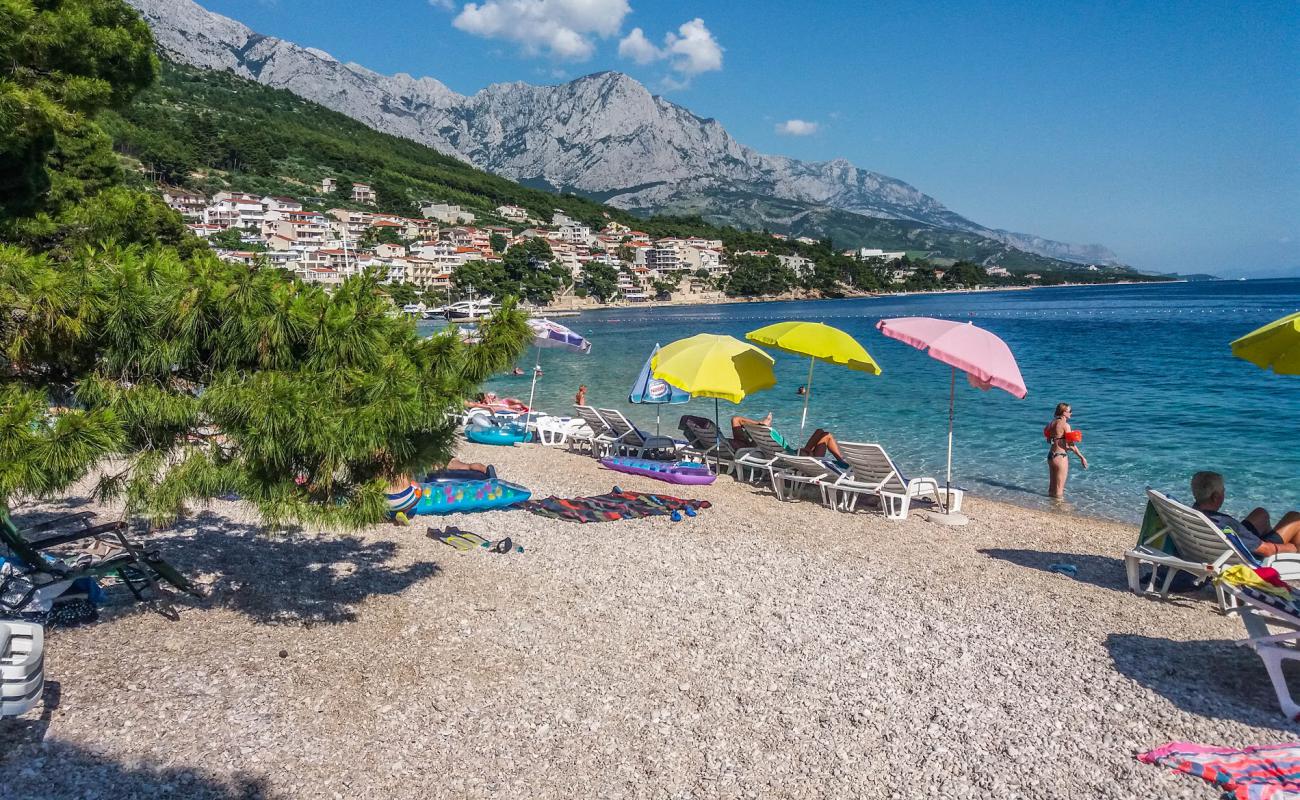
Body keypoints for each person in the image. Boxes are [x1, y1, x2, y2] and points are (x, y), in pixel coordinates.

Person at [1191, 471, 1300, 557]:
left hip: (1220, 548)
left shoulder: (1191, 514)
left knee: (1261, 513)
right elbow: (1267, 551)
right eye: (1223, 491)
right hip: (1247, 556)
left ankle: (1262, 540)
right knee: (1296, 518)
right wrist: (1292, 547)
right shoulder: (1225, 523)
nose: (1224, 494)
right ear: (1215, 497)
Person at [730, 413, 844, 462]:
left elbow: (736, 419)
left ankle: (841, 461)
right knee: (827, 436)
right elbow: (737, 420)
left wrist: (761, 424)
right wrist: (762, 424)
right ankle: (842, 462)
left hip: (790, 454)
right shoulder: (771, 434)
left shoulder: (762, 439)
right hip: (794, 459)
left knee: (820, 431)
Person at [1045, 402, 1087, 498]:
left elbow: (1049, 440)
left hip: (1051, 456)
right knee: (1059, 489)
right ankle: (1058, 510)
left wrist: (1061, 441)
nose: (1071, 413)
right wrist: (1081, 457)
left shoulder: (1051, 424)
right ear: (1064, 412)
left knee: (1052, 488)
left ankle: (1049, 506)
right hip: (1060, 457)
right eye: (1070, 411)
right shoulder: (1065, 425)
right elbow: (1071, 445)